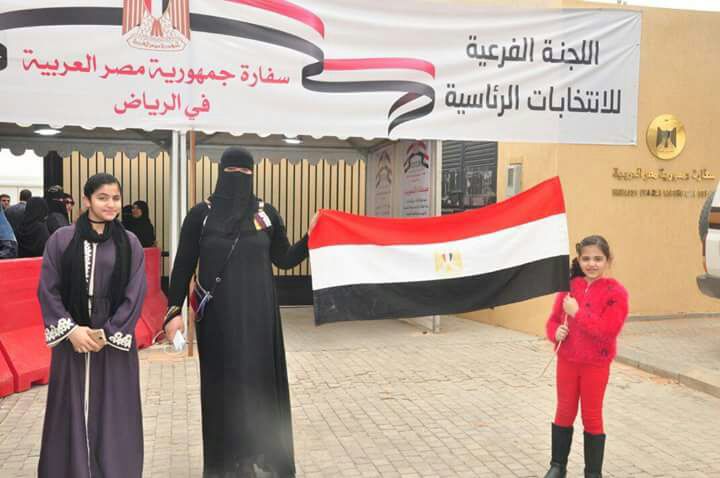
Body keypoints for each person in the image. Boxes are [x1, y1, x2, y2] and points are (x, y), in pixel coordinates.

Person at [164, 147, 311, 478]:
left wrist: (311, 236)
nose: (239, 179)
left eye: (245, 173)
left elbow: (284, 258)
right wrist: (173, 312)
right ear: (220, 173)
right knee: (224, 385)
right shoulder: (201, 215)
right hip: (219, 319)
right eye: (233, 172)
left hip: (260, 318)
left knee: (258, 384)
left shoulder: (266, 214)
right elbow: (183, 265)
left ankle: (259, 455)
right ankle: (228, 461)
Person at [37, 173, 147, 478]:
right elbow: (48, 289)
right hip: (71, 340)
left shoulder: (130, 243)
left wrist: (108, 333)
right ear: (86, 200)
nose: (110, 204)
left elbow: (135, 292)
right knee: (68, 407)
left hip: (112, 342)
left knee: (115, 409)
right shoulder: (62, 239)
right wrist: (72, 331)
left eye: (116, 198)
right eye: (102, 198)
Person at [543, 236, 629, 478]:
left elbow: (608, 330)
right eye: (586, 258)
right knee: (564, 410)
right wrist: (555, 333)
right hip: (567, 362)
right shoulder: (569, 288)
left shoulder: (616, 292)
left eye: (598, 259)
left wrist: (577, 313)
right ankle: (557, 466)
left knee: (591, 415)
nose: (592, 264)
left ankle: (593, 473)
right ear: (579, 260)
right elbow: (552, 321)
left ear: (608, 261)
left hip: (595, 365)